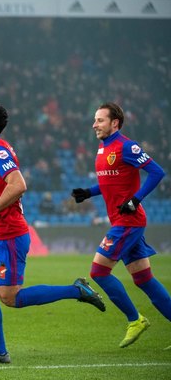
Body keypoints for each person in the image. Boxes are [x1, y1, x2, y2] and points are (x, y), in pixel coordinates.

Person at [0, 101, 105, 364]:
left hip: (10, 236)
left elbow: (18, 185)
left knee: (10, 298)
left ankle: (76, 290)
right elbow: (3, 188)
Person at [71, 102, 170, 348]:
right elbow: (109, 184)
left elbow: (157, 172)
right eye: (94, 120)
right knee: (144, 279)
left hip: (129, 221)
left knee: (98, 272)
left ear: (114, 123)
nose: (94, 124)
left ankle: (135, 319)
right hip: (122, 221)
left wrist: (135, 200)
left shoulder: (127, 146)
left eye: (100, 120)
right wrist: (89, 192)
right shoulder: (103, 148)